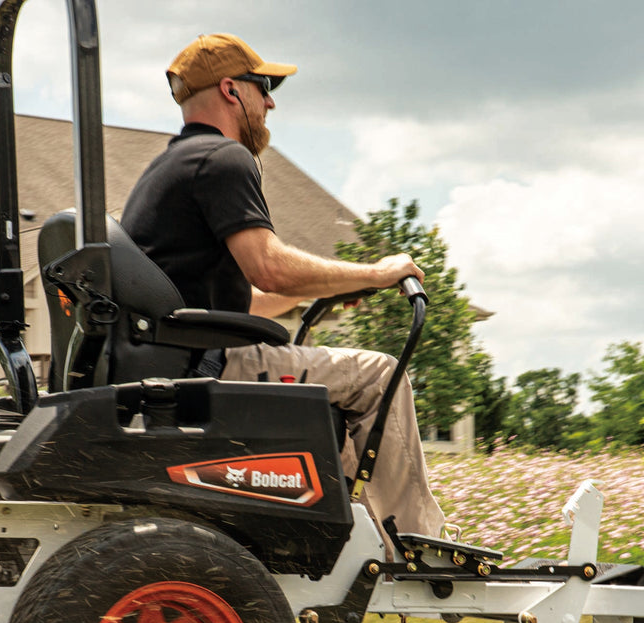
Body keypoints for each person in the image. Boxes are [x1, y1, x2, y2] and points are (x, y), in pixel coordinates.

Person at [121, 33, 446, 541]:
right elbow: (268, 266)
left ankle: (344, 540)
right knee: (379, 376)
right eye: (264, 86)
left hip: (179, 357)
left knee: (331, 397)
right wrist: (379, 271)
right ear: (231, 90)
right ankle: (417, 543)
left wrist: (325, 288)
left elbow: (246, 298)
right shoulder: (225, 159)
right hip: (207, 366)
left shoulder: (170, 165)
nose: (270, 101)